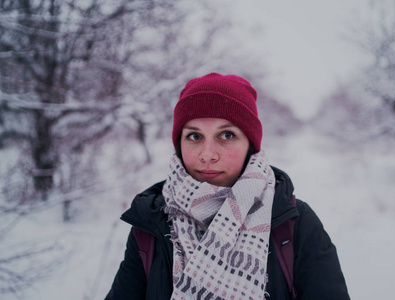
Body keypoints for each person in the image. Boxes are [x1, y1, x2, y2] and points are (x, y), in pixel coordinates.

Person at [105, 73, 350, 300]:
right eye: (194, 136)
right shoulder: (152, 222)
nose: (208, 154)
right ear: (179, 144)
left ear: (250, 146)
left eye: (227, 135)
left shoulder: (295, 223)